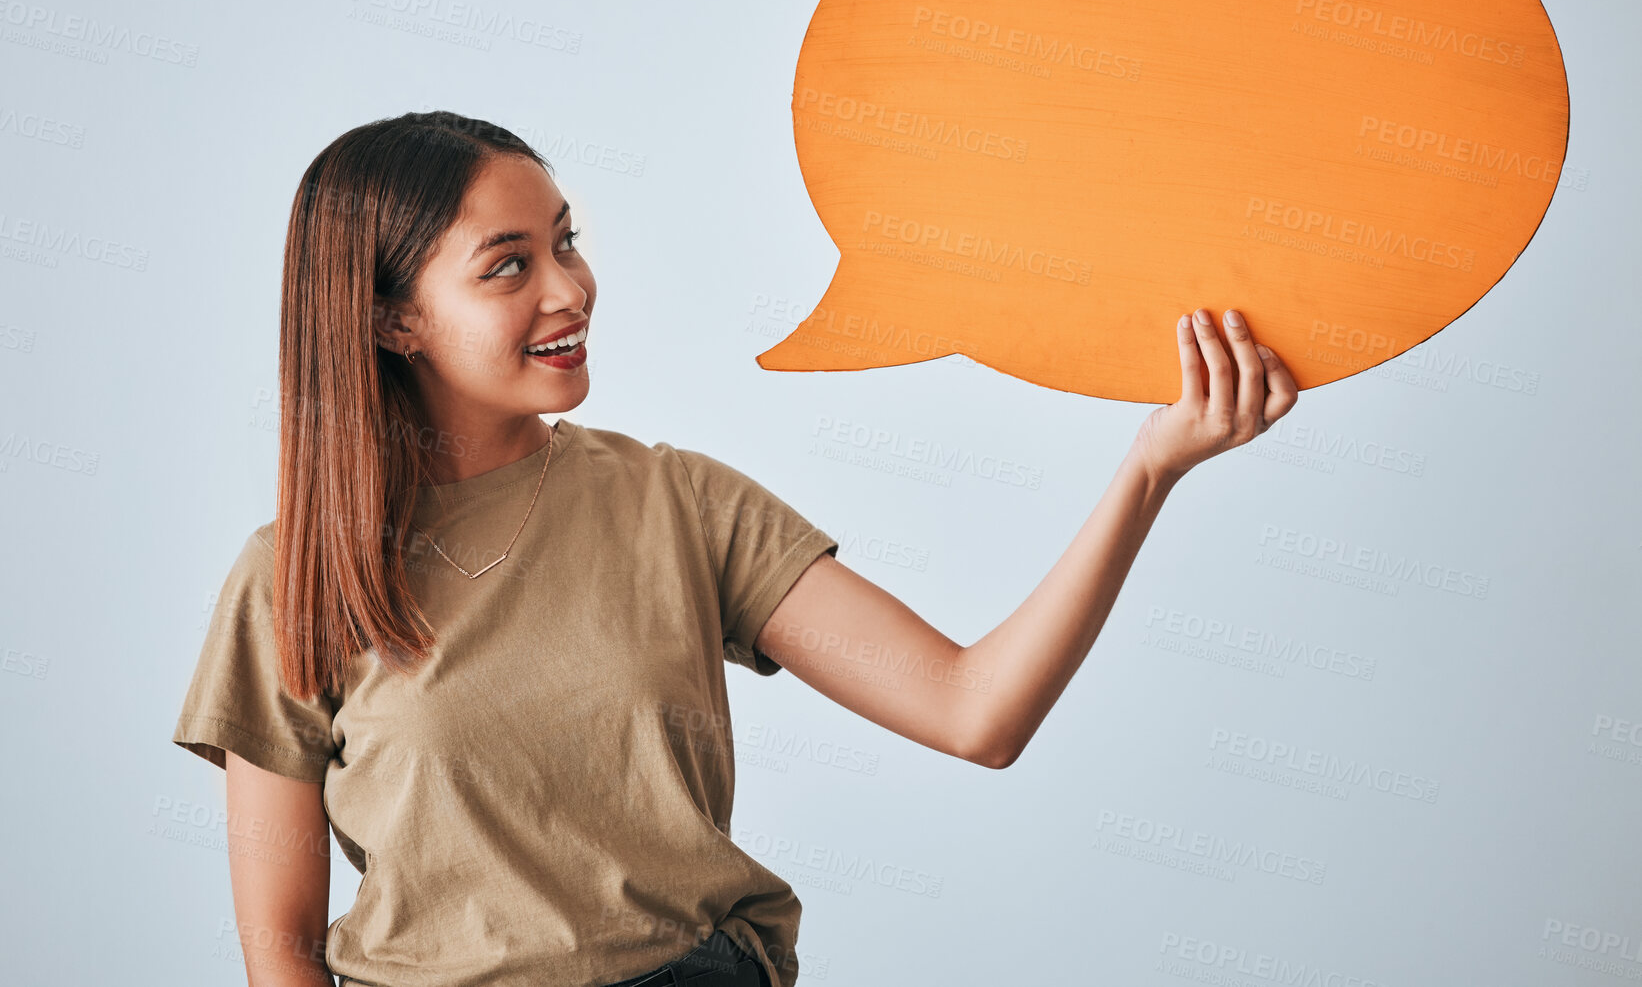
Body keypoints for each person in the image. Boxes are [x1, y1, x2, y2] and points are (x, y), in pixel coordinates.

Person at [171, 110, 1298, 987]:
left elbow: (974, 711)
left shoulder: (678, 503)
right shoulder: (295, 578)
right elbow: (279, 947)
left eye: (564, 241)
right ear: (391, 319)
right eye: (507, 264)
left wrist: (1148, 470)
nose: (570, 288)